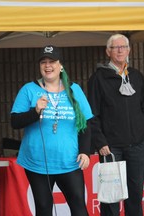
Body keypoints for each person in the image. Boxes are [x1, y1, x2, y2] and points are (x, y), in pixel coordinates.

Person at [11, 45, 93, 216]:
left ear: (60, 65)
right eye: (43, 62)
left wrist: (85, 151)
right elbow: (15, 121)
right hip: (37, 163)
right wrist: (35, 111)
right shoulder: (29, 89)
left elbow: (86, 123)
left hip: (69, 161)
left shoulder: (74, 89)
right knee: (43, 207)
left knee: (78, 205)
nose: (48, 66)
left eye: (52, 62)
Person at [88, 33, 144, 216]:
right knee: (111, 198)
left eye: (124, 46)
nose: (120, 50)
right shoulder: (98, 78)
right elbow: (92, 114)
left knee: (135, 194)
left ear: (129, 50)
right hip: (110, 147)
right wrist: (100, 142)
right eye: (116, 47)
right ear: (108, 51)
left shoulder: (136, 76)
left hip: (137, 145)